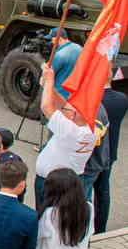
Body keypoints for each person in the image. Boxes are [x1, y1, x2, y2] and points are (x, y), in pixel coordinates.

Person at [35, 63, 95, 208]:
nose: (69, 112)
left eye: (74, 111)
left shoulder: (72, 132)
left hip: (54, 185)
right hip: (63, 181)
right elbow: (67, 108)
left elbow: (46, 107)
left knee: (48, 219)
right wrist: (50, 89)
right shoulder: (85, 128)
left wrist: (50, 79)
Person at [95, 75, 128, 232]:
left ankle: (84, 228)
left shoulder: (94, 99)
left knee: (85, 191)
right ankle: (100, 229)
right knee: (103, 191)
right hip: (110, 153)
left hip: (93, 154)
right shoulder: (122, 99)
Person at [47, 28, 82, 98]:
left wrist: (44, 67)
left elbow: (47, 76)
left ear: (59, 39)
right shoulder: (79, 48)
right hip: (74, 94)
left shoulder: (59, 55)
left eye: (52, 39)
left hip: (60, 95)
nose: (51, 42)